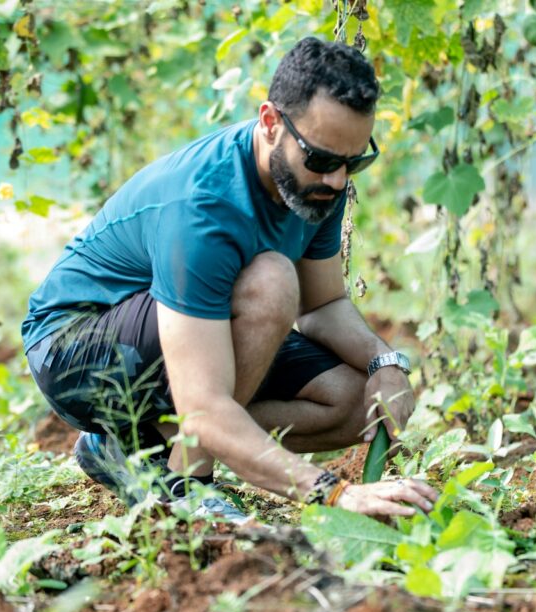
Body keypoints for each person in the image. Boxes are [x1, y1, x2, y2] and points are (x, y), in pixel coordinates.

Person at [22, 37, 437, 523]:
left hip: (183, 330)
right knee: (272, 280)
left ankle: (134, 445)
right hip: (73, 349)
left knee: (349, 401)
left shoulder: (322, 183)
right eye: (323, 161)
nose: (338, 181)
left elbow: (322, 306)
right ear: (270, 123)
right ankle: (185, 486)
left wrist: (383, 363)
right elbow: (202, 407)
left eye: (354, 162)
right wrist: (335, 493)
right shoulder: (204, 206)